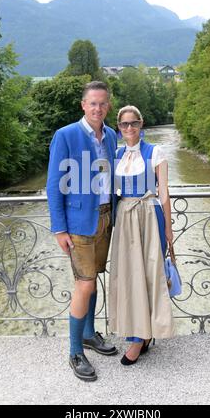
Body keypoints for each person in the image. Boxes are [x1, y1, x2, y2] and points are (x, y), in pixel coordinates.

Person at [47, 81, 118, 382]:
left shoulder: (112, 136)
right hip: (77, 224)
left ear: (108, 106)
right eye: (92, 103)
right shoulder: (66, 135)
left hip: (105, 218)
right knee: (85, 285)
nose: (97, 108)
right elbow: (53, 184)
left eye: (102, 103)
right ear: (83, 105)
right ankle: (75, 350)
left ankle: (89, 333)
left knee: (93, 279)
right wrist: (59, 228)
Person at [109, 105, 175, 365]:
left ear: (141, 124)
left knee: (149, 274)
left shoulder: (155, 152)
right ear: (119, 127)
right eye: (124, 124)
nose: (129, 128)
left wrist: (169, 230)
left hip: (149, 215)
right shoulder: (115, 154)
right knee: (129, 276)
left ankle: (140, 339)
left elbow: (164, 193)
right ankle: (140, 334)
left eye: (133, 123)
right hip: (124, 217)